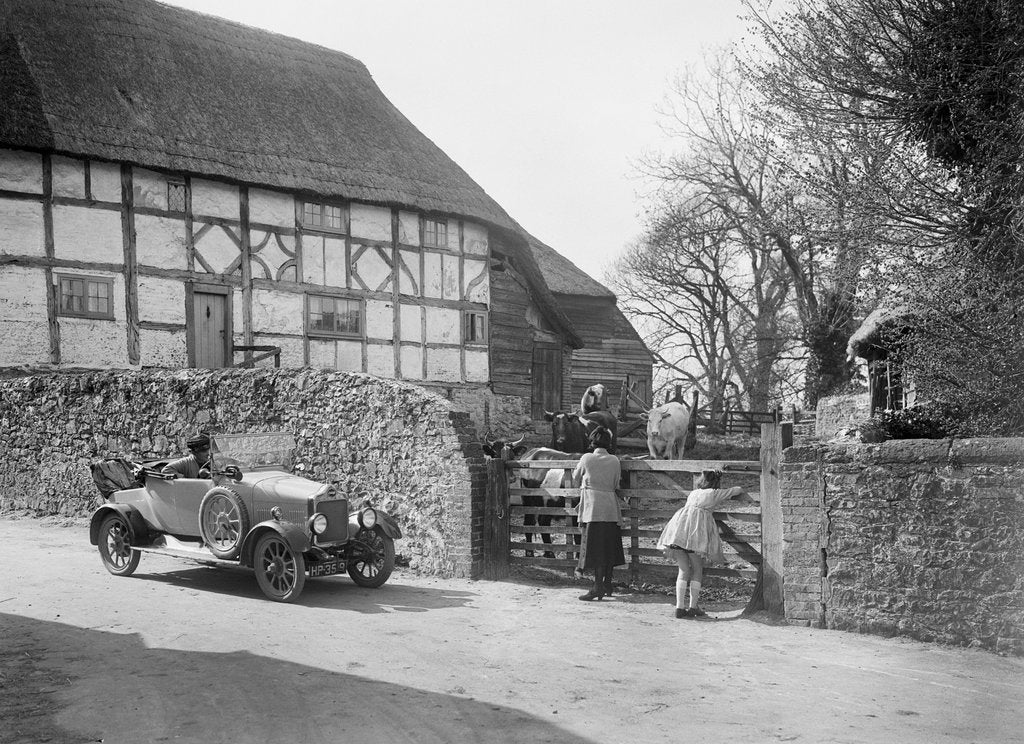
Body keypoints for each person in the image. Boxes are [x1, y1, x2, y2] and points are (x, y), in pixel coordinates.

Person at [656, 469, 749, 618]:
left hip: (679, 531)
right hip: (695, 535)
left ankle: (679, 607)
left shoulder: (694, 493)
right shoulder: (714, 493)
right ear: (716, 482)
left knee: (683, 570)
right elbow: (738, 490)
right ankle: (693, 607)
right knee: (697, 569)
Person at [572, 426, 625, 601]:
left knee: (596, 550)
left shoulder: (587, 458)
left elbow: (575, 478)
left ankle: (597, 588)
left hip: (593, 509)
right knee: (608, 547)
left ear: (592, 442)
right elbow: (616, 484)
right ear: (608, 443)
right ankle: (607, 584)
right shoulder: (615, 460)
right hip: (610, 509)